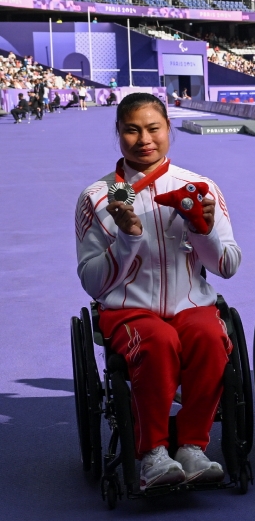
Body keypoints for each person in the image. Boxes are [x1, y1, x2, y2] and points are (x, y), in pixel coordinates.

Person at [75, 93, 242, 490]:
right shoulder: (95, 198)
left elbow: (228, 265)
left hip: (191, 304)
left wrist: (202, 231)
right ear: (117, 133)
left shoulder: (200, 188)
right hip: (128, 310)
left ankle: (191, 447)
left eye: (154, 128)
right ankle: (152, 453)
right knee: (158, 339)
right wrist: (127, 238)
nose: (144, 139)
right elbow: (93, 282)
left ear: (170, 130)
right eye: (132, 129)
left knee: (207, 337)